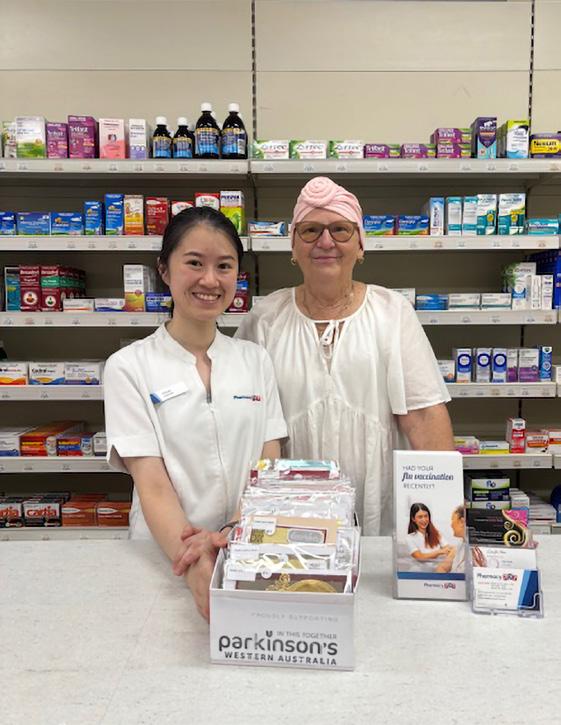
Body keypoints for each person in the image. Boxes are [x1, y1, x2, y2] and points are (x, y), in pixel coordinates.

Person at [236, 176, 454, 534]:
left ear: (360, 244)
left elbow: (425, 418)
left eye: (340, 229)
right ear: (293, 247)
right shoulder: (265, 319)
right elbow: (243, 423)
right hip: (289, 512)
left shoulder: (391, 311)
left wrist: (444, 522)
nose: (325, 242)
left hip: (378, 508)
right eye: (310, 230)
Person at [104, 206, 287, 619]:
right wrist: (194, 561)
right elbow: (152, 484)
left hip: (244, 549)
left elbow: (268, 463)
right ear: (164, 271)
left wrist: (230, 536)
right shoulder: (129, 367)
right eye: (194, 263)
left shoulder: (255, 360)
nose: (210, 280)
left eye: (224, 266)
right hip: (166, 561)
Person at [406, 503, 450, 567]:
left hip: (437, 571)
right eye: (420, 517)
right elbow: (420, 557)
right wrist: (439, 552)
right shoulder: (410, 538)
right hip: (418, 572)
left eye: (426, 516)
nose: (424, 520)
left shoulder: (437, 534)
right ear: (413, 519)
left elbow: (448, 549)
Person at [436, 505, 466, 573]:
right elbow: (442, 568)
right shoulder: (460, 545)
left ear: (462, 522)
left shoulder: (478, 550)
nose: (451, 525)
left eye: (452, 520)